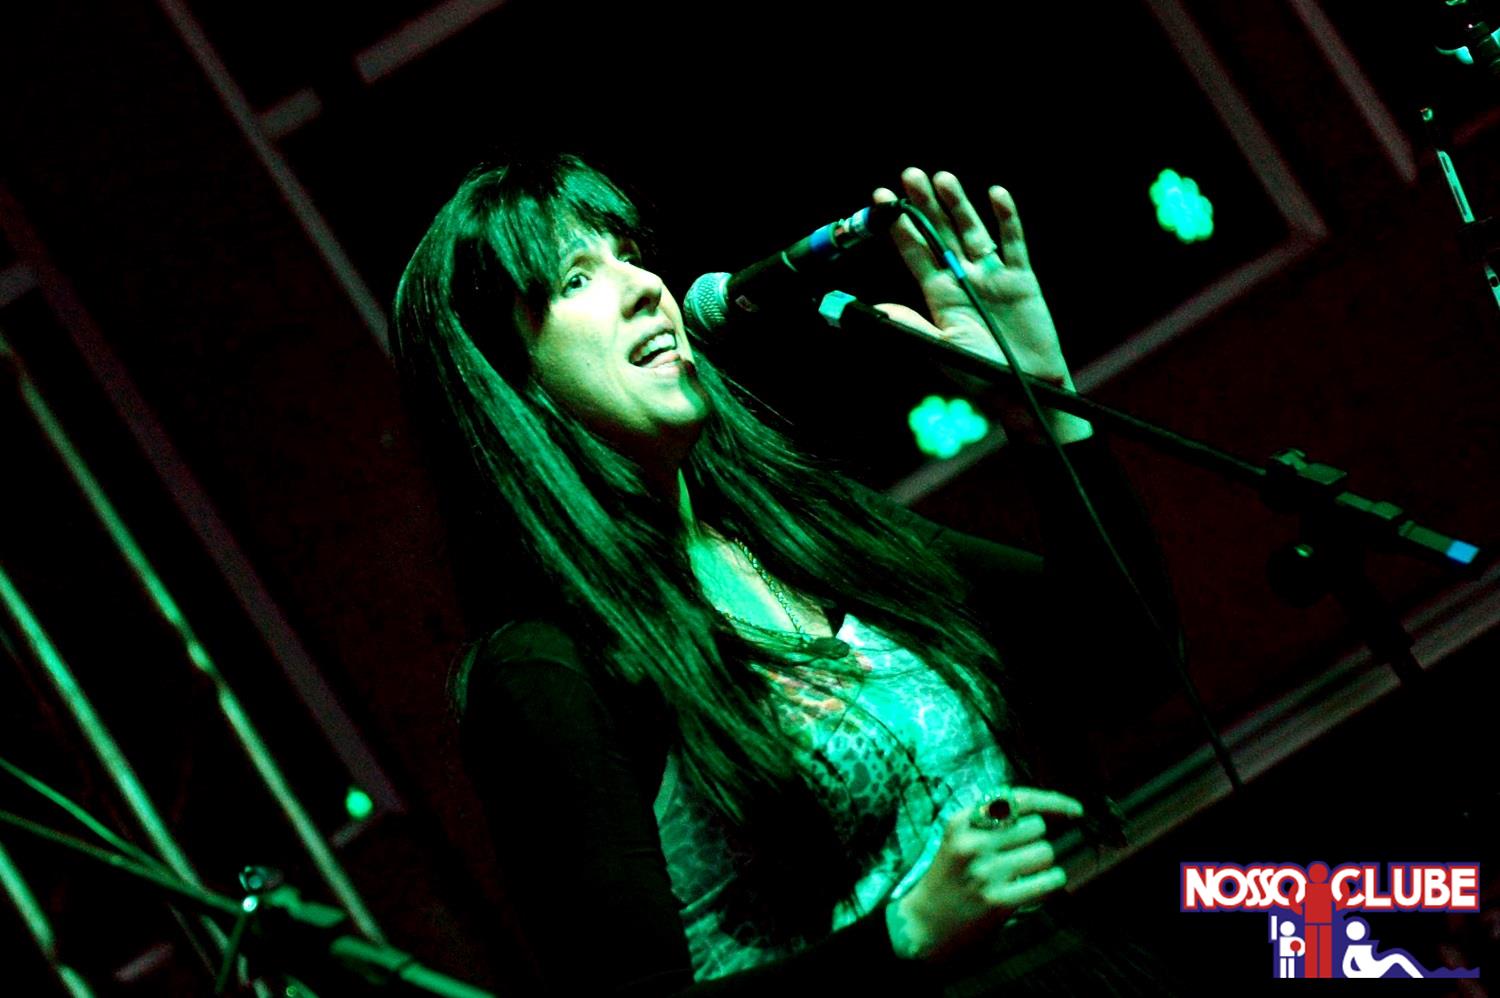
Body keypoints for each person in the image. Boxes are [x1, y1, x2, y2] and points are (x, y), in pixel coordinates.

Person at [393, 154, 1184, 995]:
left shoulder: (806, 531)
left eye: (628, 252)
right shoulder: (547, 668)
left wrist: (1044, 412)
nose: (642, 286)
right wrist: (903, 937)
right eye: (575, 277)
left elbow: (1128, 662)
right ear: (510, 382)